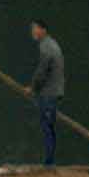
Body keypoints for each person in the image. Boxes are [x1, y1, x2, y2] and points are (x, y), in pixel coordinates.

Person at [27, 21, 66, 166]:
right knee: (49, 127)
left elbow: (42, 70)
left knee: (47, 127)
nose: (33, 32)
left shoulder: (47, 47)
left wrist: (33, 88)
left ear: (43, 30)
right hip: (53, 91)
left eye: (35, 29)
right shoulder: (51, 44)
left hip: (49, 93)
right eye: (32, 29)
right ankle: (49, 162)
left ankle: (49, 163)